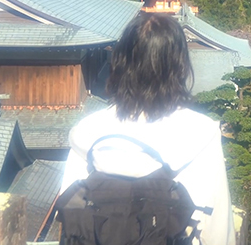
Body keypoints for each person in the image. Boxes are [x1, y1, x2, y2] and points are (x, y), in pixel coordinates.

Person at [60, 13, 235, 245]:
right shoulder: (199, 132)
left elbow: (69, 212)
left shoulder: (88, 132)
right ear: (179, 66)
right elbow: (216, 223)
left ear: (121, 62)